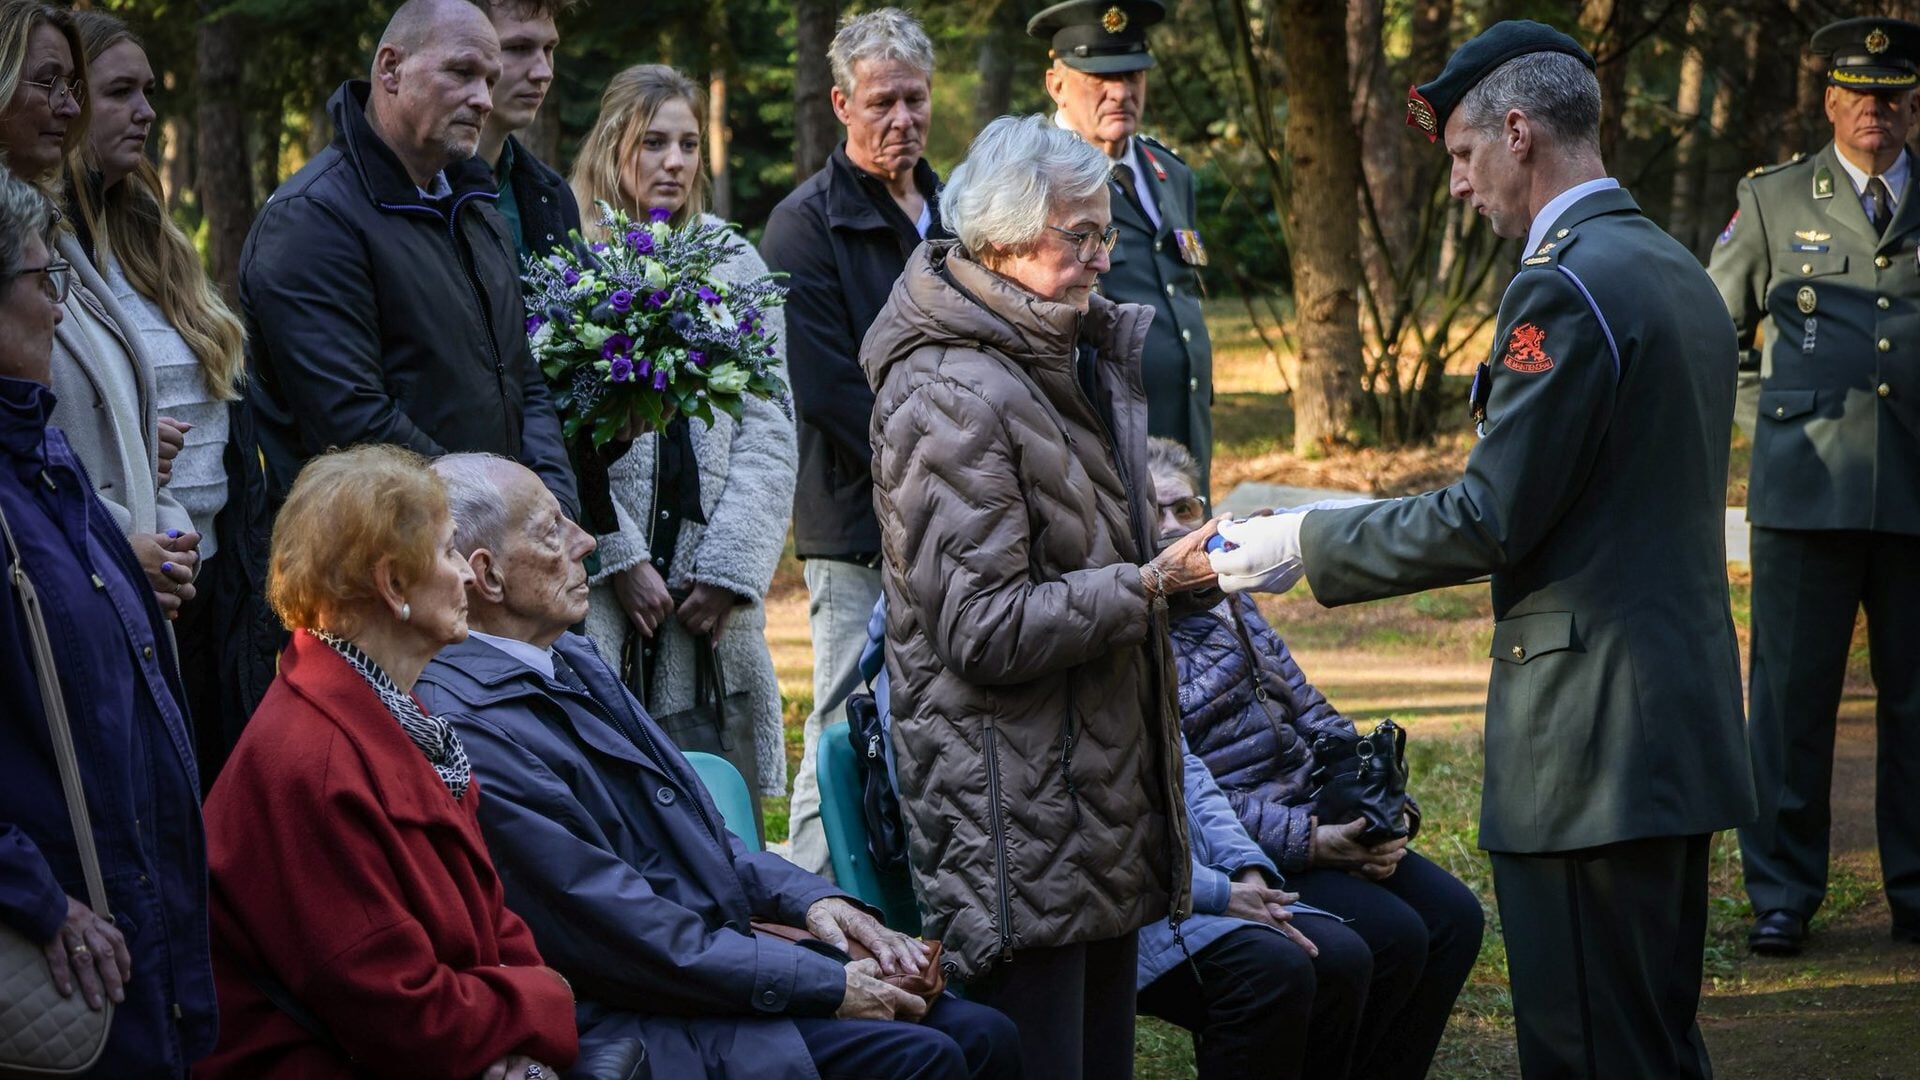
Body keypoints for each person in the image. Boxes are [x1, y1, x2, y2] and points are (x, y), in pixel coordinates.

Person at [1211, 22, 1756, 1078]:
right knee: (1650, 1039)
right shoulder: (1670, 265)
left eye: (1462, 157)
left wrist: (1302, 543)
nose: (1459, 185)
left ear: (1517, 134)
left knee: (1588, 1048)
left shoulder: (1565, 284)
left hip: (1590, 744)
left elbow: (1490, 515)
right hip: (1670, 724)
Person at [412, 453, 1022, 1080]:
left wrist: (813, 902)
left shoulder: (566, 656)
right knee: (927, 1058)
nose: (586, 540)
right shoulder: (470, 723)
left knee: (984, 1034)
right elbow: (620, 933)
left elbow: (705, 838)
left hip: (714, 970)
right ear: (485, 576)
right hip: (642, 1013)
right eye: (550, 531)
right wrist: (824, 983)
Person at [865, 113, 1221, 1080]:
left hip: (1088, 799)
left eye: (1107, 232)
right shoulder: (949, 391)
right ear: (1004, 238)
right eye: (1084, 236)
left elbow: (1094, 559)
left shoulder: (1056, 355)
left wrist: (1190, 571)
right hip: (1013, 813)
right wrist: (1148, 586)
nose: (1106, 259)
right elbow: (981, 628)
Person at [197, 445, 577, 1079]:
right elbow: (400, 1015)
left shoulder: (386, 709)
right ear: (393, 585)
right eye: (450, 550)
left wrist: (526, 1016)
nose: (465, 573)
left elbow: (490, 921)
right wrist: (543, 1004)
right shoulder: (314, 762)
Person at [1142, 437, 1483, 1079]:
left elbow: (1309, 706)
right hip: (1245, 846)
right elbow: (1186, 785)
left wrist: (1378, 806)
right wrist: (1312, 842)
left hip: (1314, 816)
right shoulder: (1134, 631)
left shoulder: (1233, 602)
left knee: (1455, 919)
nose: (1171, 526)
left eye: (1184, 508)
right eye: (1152, 510)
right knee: (1392, 936)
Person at [1705, 17, 1920, 958]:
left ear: (1917, 103)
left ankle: (1914, 889)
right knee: (1790, 703)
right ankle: (1784, 892)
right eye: (1857, 93)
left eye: (1893, 94)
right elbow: (1714, 333)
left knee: (1917, 705)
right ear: (1829, 100)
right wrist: (1767, 419)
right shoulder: (1773, 200)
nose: (1875, 109)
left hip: (1916, 494)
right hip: (1803, 492)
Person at [0, 164, 216, 1079]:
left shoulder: (43, 455)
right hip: (69, 952)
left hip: (136, 933)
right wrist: (35, 898)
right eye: (42, 281)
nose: (58, 309)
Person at [238, 0, 577, 516]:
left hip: (483, 554)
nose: (483, 99)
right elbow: (355, 425)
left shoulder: (474, 205)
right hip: (373, 564)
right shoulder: (310, 219)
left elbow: (523, 379)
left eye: (490, 80)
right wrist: (501, 519)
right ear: (391, 69)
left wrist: (552, 507)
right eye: (462, 73)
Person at [570, 64, 797, 815]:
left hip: (710, 600)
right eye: (654, 142)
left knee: (717, 813)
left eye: (689, 144)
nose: (674, 161)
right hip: (608, 596)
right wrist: (619, 556)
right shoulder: (575, 261)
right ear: (613, 145)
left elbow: (771, 426)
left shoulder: (735, 264)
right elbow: (562, 429)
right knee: (613, 806)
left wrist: (731, 567)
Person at [761, 7, 948, 876]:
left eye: (914, 100)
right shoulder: (805, 225)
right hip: (855, 516)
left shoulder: (956, 210)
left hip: (955, 513)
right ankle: (808, 896)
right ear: (841, 103)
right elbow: (833, 389)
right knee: (842, 716)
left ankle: (903, 891)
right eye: (882, 103)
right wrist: (944, 462)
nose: (901, 121)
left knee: (932, 713)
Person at [66, 9, 276, 785]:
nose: (147, 111)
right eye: (120, 92)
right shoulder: (33, 249)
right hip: (112, 577)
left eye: (149, 91)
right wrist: (112, 441)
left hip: (212, 577)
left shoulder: (148, 231)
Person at [0, 0, 200, 618]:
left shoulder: (54, 237)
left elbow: (116, 423)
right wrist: (112, 541)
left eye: (74, 87)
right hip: (58, 594)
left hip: (118, 591)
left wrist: (168, 533)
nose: (68, 106)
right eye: (47, 83)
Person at [1029, 0, 1215, 495]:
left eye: (1133, 75)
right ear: (1057, 84)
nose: (1120, 92)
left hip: (1185, 434)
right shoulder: (1035, 179)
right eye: (1099, 77)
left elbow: (1181, 289)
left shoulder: (1169, 173)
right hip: (1099, 442)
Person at [477, 0, 581, 262]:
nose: (543, 72)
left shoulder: (555, 194)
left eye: (548, 49)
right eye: (518, 48)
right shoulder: (419, 188)